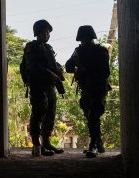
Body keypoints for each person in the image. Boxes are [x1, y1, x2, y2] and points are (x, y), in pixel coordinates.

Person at [20, 19, 65, 156]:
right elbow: (33, 67)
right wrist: (49, 73)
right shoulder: (31, 47)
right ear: (37, 33)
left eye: (48, 32)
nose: (47, 34)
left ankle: (46, 142)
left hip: (49, 86)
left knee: (50, 113)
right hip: (38, 85)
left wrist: (58, 69)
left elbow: (52, 64)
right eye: (44, 32)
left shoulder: (48, 48)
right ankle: (37, 145)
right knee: (39, 112)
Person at [65, 25, 111, 158]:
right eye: (83, 38)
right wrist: (78, 71)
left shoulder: (101, 51)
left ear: (91, 38)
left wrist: (87, 71)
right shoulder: (77, 52)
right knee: (90, 116)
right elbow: (68, 66)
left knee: (93, 115)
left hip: (98, 88)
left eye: (86, 38)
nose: (84, 40)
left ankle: (94, 145)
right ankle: (98, 143)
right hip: (86, 89)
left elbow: (105, 72)